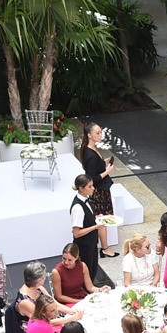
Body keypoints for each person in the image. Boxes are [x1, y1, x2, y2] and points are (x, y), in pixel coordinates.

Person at [79, 122, 118, 257]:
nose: (100, 135)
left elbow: (94, 168)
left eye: (100, 132)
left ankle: (104, 247)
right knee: (102, 220)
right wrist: (107, 171)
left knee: (102, 220)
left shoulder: (91, 149)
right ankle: (105, 248)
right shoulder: (90, 154)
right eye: (97, 133)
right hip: (99, 191)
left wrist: (103, 162)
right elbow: (92, 179)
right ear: (89, 135)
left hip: (101, 189)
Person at [52, 241, 107, 307]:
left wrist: (100, 290)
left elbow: (90, 287)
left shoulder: (82, 266)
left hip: (80, 297)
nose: (66, 262)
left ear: (76, 257)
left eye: (70, 260)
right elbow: (59, 297)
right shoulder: (57, 271)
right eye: (64, 258)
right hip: (66, 302)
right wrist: (80, 301)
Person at [70, 174, 104, 277]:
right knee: (86, 274)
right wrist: (95, 226)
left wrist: (97, 217)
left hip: (91, 244)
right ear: (81, 188)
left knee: (93, 271)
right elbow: (76, 233)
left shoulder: (87, 199)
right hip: (84, 247)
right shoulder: (78, 208)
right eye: (90, 186)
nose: (93, 188)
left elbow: (87, 218)